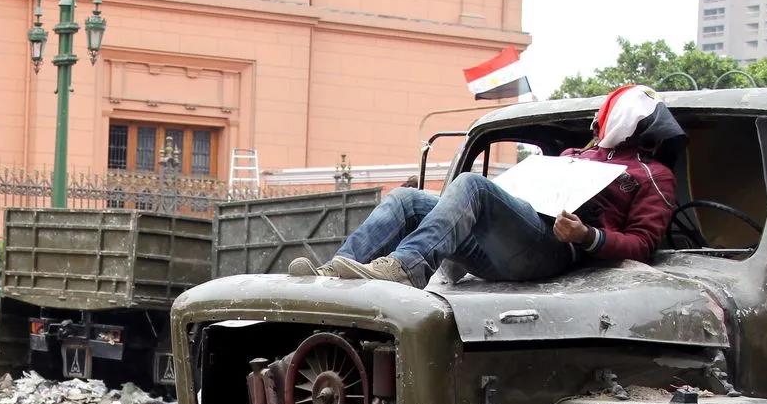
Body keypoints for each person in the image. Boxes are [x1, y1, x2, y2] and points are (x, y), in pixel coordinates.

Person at [289, 84, 682, 286]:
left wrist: (587, 235)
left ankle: (407, 269)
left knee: (473, 186)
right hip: (511, 246)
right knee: (407, 199)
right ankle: (332, 273)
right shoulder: (576, 156)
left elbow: (644, 244)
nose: (596, 125)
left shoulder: (654, 174)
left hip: (555, 253)